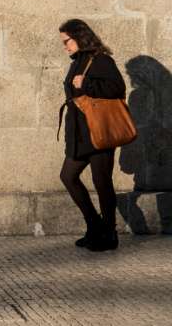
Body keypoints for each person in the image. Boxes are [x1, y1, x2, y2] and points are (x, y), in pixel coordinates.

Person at [58, 19, 127, 251]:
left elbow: (117, 89)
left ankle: (109, 234)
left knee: (102, 183)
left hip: (99, 131)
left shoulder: (101, 60)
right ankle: (94, 226)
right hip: (79, 134)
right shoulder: (78, 61)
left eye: (67, 40)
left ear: (80, 37)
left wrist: (86, 83)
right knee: (68, 176)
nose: (65, 46)